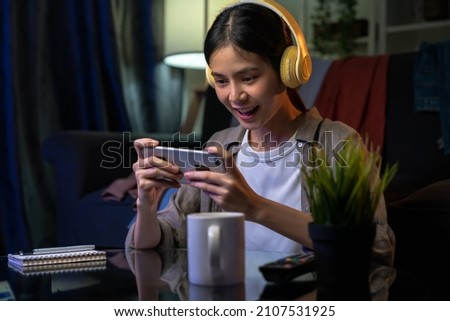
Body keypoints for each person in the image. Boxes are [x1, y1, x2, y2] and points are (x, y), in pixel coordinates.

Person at [126, 1, 395, 266]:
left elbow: (377, 248)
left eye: (248, 78)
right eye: (221, 81)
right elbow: (160, 243)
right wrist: (147, 205)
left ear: (287, 70)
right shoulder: (220, 144)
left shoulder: (337, 143)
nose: (234, 96)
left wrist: (254, 206)